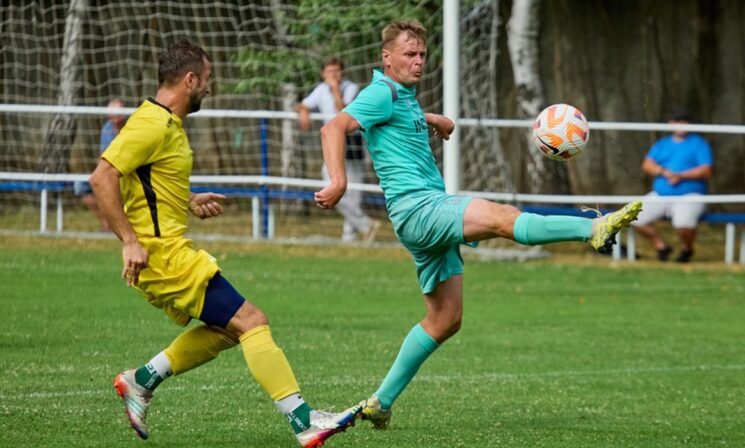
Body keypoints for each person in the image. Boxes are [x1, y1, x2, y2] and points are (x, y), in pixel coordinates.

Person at [315, 19, 643, 429]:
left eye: (422, 55)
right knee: (503, 218)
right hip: (420, 210)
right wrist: (339, 180)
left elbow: (398, 117)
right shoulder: (380, 92)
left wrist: (434, 120)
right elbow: (334, 126)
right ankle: (591, 228)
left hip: (419, 216)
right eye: (409, 55)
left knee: (445, 318)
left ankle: (380, 402)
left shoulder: (401, 96)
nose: (418, 62)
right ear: (387, 57)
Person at [89, 38, 359, 447]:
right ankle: (305, 422)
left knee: (230, 329)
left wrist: (189, 199)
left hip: (168, 252)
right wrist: (129, 240)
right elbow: (102, 177)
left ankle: (140, 381)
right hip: (161, 256)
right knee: (252, 321)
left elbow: (144, 181)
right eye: (208, 79)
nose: (210, 88)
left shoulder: (167, 125)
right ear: (190, 78)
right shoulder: (151, 123)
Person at [296, 57, 380, 243]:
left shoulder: (351, 88)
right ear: (323, 73)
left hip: (352, 144)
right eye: (329, 71)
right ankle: (365, 225)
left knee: (353, 192)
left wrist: (335, 89)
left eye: (336, 71)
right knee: (331, 185)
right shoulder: (320, 89)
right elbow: (304, 104)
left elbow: (345, 110)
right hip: (334, 145)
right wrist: (303, 111)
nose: (333, 75)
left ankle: (350, 237)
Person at [631, 109, 713, 262]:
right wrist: (664, 172)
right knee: (632, 216)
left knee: (683, 223)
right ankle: (662, 246)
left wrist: (680, 175)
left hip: (689, 196)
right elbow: (647, 165)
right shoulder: (662, 143)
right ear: (670, 124)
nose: (681, 125)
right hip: (661, 195)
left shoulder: (699, 143)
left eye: (684, 121)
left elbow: (706, 170)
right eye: (677, 121)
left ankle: (687, 250)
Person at [76, 99, 126, 232]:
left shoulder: (131, 127)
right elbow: (103, 156)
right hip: (110, 170)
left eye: (120, 114)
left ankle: (117, 225)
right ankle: (106, 222)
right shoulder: (107, 128)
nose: (118, 119)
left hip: (127, 172)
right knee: (81, 186)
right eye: (115, 116)